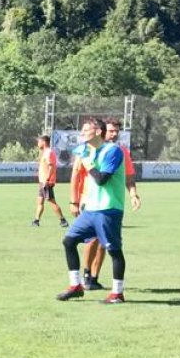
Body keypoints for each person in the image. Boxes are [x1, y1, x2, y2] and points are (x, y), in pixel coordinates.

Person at [58, 117, 129, 304]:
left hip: (108, 210)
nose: (81, 134)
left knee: (114, 251)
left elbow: (101, 179)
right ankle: (76, 286)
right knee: (69, 241)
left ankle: (117, 293)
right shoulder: (90, 151)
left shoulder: (112, 151)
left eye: (85, 130)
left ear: (98, 132)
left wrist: (87, 161)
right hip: (90, 210)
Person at [79, 118, 142, 290]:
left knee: (104, 242)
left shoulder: (120, 151)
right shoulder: (88, 149)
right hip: (90, 201)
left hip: (110, 203)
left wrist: (133, 194)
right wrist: (74, 200)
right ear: (102, 131)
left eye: (117, 131)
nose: (114, 134)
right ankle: (85, 274)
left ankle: (93, 277)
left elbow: (129, 176)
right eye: (111, 131)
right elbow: (77, 175)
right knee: (91, 240)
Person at [32, 135, 68, 228]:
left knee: (51, 201)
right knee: (40, 201)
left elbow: (51, 167)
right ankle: (36, 221)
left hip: (46, 182)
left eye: (39, 141)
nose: (38, 143)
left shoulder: (48, 152)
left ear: (43, 142)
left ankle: (63, 221)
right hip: (43, 182)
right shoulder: (45, 152)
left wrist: (47, 180)